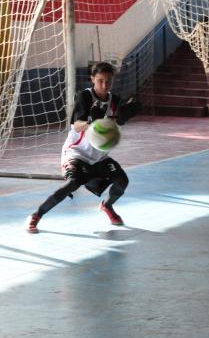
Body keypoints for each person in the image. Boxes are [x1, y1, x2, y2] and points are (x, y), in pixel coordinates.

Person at [26, 62, 142, 233]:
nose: (104, 85)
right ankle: (36, 215)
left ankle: (107, 206)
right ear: (92, 79)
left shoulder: (115, 101)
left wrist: (123, 117)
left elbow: (115, 121)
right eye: (100, 81)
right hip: (77, 152)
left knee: (122, 181)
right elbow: (76, 125)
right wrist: (91, 122)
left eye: (108, 81)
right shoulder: (85, 97)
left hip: (99, 156)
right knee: (72, 184)